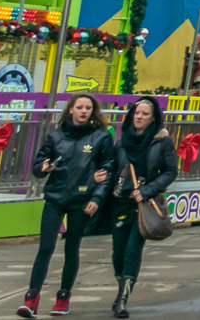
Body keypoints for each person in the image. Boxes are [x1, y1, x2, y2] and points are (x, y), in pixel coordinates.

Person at [21, 92, 114, 317]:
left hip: (81, 202)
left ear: (93, 112)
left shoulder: (101, 137)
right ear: (70, 110)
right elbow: (37, 167)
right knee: (46, 248)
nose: (83, 112)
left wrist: (96, 198)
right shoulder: (55, 137)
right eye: (79, 107)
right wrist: (42, 168)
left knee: (72, 248)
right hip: (55, 198)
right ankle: (31, 298)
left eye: (88, 108)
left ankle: (63, 298)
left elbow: (107, 169)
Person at [105, 95, 177, 319]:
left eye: (145, 114)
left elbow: (170, 171)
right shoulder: (122, 140)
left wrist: (147, 191)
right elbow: (113, 167)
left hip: (144, 204)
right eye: (136, 113)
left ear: (153, 118)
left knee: (132, 251)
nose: (139, 117)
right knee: (117, 253)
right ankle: (120, 291)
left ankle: (123, 300)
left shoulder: (162, 141)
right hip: (121, 202)